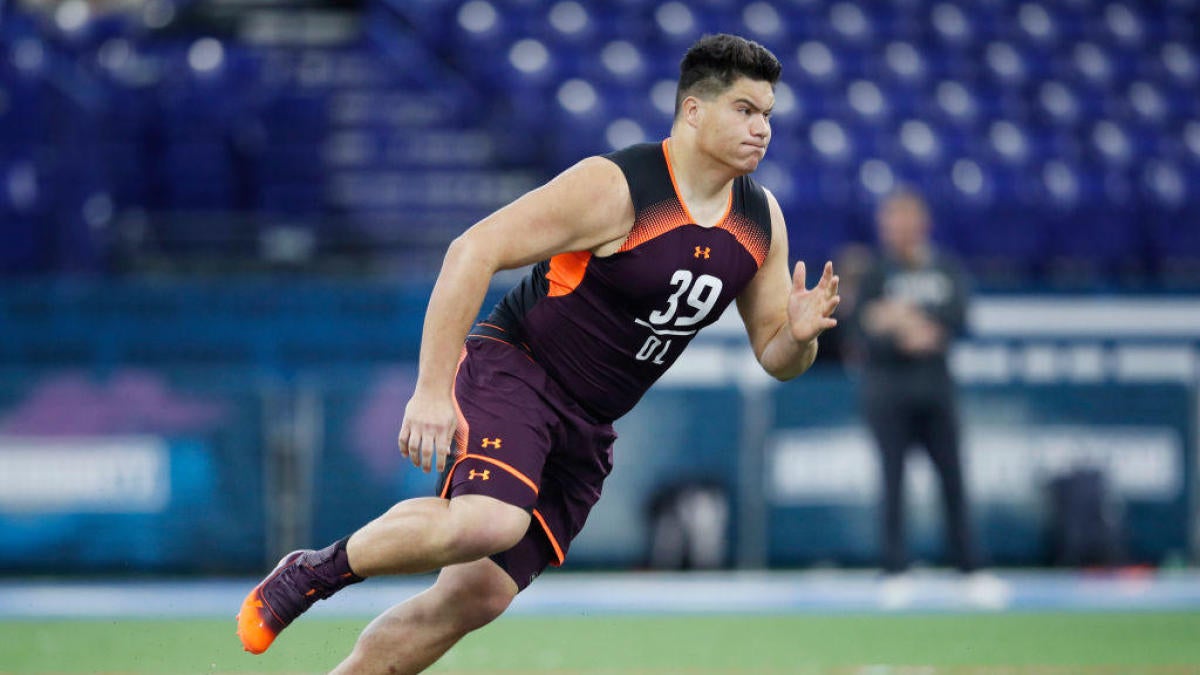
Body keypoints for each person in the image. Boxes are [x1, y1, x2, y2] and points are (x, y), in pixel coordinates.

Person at [236, 34, 841, 673]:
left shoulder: (760, 219)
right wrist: (432, 390)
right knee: (491, 521)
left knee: (476, 595)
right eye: (745, 110)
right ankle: (313, 571)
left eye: (767, 114)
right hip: (519, 368)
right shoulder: (618, 187)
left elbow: (775, 357)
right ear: (693, 111)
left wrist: (799, 338)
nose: (762, 128)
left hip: (589, 424)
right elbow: (472, 250)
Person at [851, 188, 1003, 606]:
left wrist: (906, 320)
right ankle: (895, 568)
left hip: (936, 390)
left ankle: (970, 567)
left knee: (953, 479)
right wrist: (895, 329)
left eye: (903, 221)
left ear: (921, 224)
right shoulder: (875, 271)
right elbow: (859, 327)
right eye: (889, 222)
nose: (895, 231)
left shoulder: (945, 268)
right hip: (888, 392)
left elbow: (960, 316)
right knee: (892, 481)